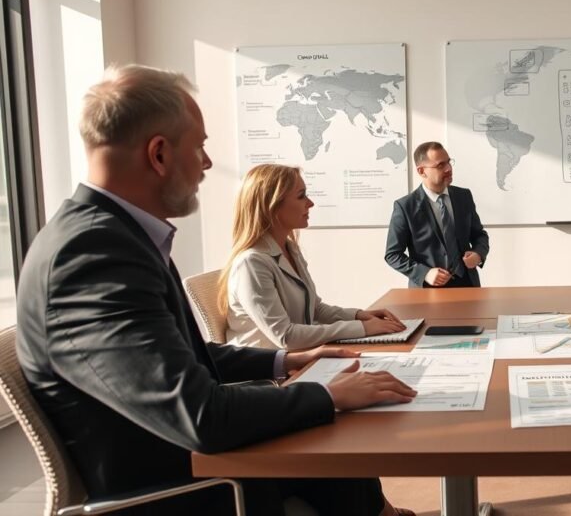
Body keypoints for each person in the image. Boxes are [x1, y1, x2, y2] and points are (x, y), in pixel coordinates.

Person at [15, 65, 418, 516]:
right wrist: (328, 395)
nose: (207, 164)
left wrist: (289, 359)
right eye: (200, 147)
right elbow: (200, 415)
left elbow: (185, 359)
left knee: (342, 454)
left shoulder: (116, 236)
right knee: (333, 431)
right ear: (159, 154)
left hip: (197, 462)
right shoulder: (93, 255)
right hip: (189, 488)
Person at [222, 164, 406, 350]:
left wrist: (358, 316)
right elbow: (286, 337)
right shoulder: (252, 263)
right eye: (301, 196)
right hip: (267, 374)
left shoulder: (290, 249)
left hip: (299, 360)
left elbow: (315, 309)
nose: (310, 203)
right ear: (272, 205)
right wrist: (361, 328)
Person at [385, 141, 489, 288]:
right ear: (422, 171)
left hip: (468, 285)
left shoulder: (464, 196)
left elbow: (479, 235)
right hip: (427, 291)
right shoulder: (405, 207)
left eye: (449, 162)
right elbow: (392, 255)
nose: (448, 168)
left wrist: (478, 254)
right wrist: (424, 273)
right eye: (440, 165)